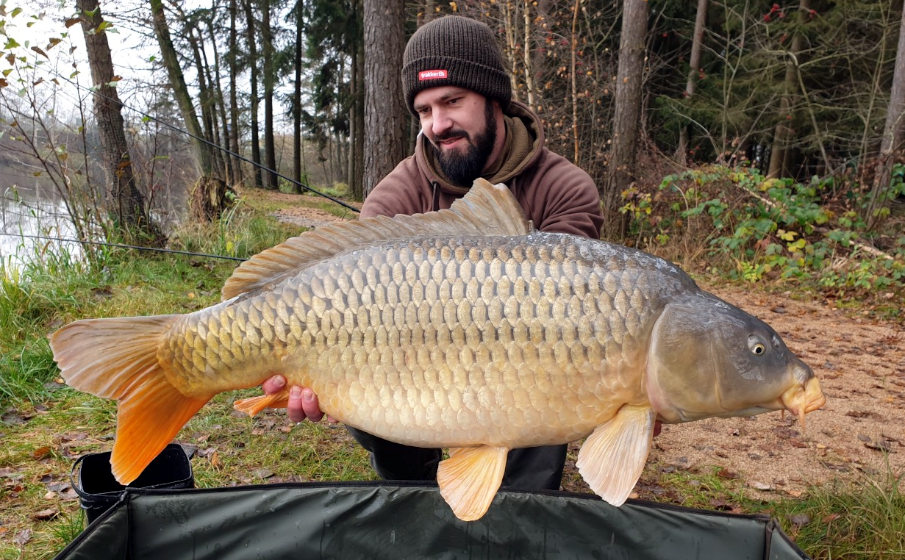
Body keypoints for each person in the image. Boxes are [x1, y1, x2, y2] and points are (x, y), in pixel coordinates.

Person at [261, 15, 603, 492]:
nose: (437, 125)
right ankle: (413, 496)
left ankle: (523, 507)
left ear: (494, 99)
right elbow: (348, 306)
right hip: (411, 367)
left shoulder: (563, 189)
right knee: (367, 366)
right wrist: (310, 372)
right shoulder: (394, 199)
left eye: (452, 101)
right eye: (423, 110)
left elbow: (585, 321)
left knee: (544, 371)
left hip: (529, 363)